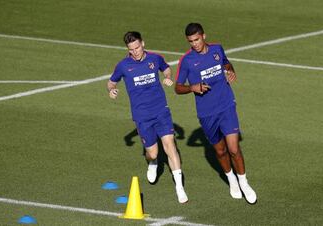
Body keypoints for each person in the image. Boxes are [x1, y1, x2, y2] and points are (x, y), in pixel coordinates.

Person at [175, 23, 257, 204]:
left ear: (203, 36)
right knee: (220, 151)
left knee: (234, 149)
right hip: (207, 113)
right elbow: (178, 88)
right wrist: (192, 87)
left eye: (196, 39)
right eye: (190, 41)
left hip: (226, 105)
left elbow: (226, 63)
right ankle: (231, 180)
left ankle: (244, 183)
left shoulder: (217, 49)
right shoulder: (186, 61)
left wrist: (230, 70)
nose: (194, 44)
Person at [107, 31, 188, 203]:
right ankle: (152, 163)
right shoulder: (123, 65)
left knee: (170, 145)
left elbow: (166, 68)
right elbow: (111, 81)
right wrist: (111, 90)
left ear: (143, 43)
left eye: (137, 47)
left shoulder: (155, 59)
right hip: (142, 116)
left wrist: (167, 77)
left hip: (161, 111)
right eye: (131, 49)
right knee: (152, 153)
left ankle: (179, 188)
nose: (135, 52)